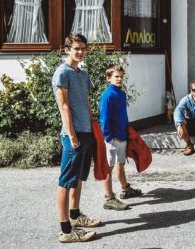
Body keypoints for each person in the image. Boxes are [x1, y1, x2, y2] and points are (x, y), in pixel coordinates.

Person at [52, 34, 100, 243]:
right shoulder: (62, 73)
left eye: (83, 48)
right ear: (67, 50)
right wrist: (71, 135)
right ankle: (66, 230)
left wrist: (92, 126)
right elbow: (64, 107)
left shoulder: (83, 73)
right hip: (73, 134)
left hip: (86, 131)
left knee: (79, 177)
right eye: (76, 48)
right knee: (66, 181)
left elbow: (86, 102)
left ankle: (75, 215)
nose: (80, 52)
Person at [99, 64, 142, 211]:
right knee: (108, 167)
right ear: (108, 78)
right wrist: (107, 137)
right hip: (111, 138)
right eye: (116, 76)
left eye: (121, 76)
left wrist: (128, 130)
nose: (119, 79)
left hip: (122, 135)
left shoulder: (122, 94)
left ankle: (125, 189)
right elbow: (104, 118)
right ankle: (109, 198)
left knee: (120, 163)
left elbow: (123, 114)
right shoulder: (107, 95)